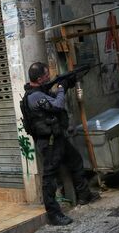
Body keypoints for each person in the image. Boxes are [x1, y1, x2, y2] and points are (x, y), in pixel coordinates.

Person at [24, 62, 100, 226]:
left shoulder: (40, 91)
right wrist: (61, 88)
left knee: (76, 161)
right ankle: (54, 214)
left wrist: (66, 83)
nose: (48, 77)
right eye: (46, 75)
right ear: (38, 78)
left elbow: (51, 99)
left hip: (57, 137)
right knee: (49, 178)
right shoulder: (34, 96)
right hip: (48, 142)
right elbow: (57, 105)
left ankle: (84, 195)